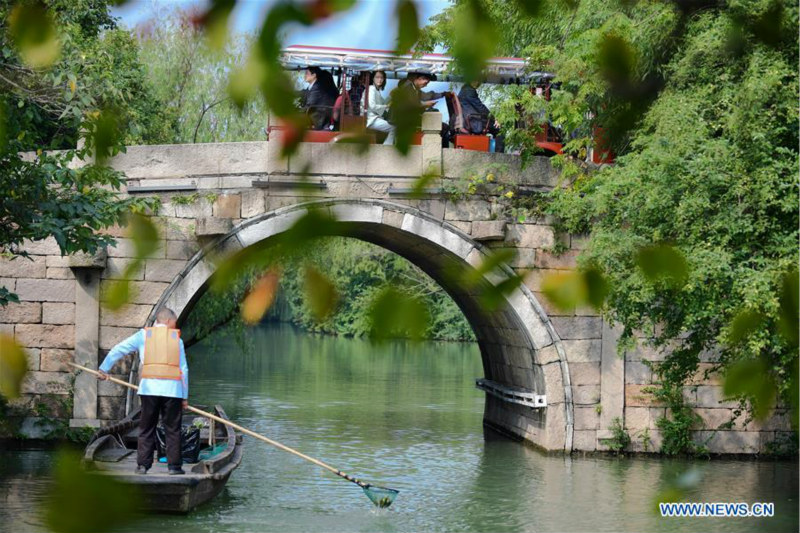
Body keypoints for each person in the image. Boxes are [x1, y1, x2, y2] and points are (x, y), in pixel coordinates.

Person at [97, 307, 189, 475]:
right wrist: (184, 396)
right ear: (167, 321)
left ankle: (142, 466)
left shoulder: (143, 335)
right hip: (173, 391)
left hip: (149, 390)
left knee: (146, 428)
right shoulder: (178, 340)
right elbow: (184, 370)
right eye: (174, 322)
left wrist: (104, 368)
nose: (175, 326)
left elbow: (119, 349)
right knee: (172, 429)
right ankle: (174, 467)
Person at [458, 80, 504, 151]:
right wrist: (494, 119)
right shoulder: (469, 91)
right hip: (473, 121)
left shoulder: (463, 90)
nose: (479, 83)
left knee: (495, 126)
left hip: (468, 119)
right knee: (500, 128)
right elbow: (480, 107)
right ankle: (499, 156)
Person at [361, 70, 394, 144]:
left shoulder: (376, 90)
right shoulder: (371, 88)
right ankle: (386, 149)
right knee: (395, 128)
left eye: (381, 78)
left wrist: (391, 96)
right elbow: (372, 106)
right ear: (373, 78)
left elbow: (382, 103)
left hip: (373, 118)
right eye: (377, 77)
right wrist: (387, 106)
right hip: (370, 119)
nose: (380, 80)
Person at [301, 66, 338, 130]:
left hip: (318, 120)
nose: (305, 75)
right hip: (321, 118)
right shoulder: (316, 87)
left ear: (314, 75)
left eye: (307, 73)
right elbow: (305, 93)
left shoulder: (317, 88)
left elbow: (309, 105)